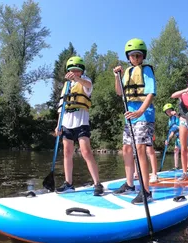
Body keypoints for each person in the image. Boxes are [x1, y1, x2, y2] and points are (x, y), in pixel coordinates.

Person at [113, 38, 156, 204]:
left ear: (142, 56)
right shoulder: (128, 72)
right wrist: (117, 76)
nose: (135, 58)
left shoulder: (146, 70)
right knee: (126, 149)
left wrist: (140, 111)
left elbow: (151, 93)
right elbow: (119, 92)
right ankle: (130, 184)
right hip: (130, 117)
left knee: (140, 149)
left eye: (138, 55)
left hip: (144, 115)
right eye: (132, 56)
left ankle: (146, 190)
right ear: (128, 57)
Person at [55, 56, 104, 196]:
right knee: (67, 153)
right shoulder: (66, 86)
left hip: (81, 121)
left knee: (86, 152)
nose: (74, 73)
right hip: (66, 122)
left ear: (81, 71)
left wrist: (77, 79)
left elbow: (88, 86)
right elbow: (61, 107)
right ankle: (68, 183)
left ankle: (97, 183)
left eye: (77, 70)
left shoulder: (85, 81)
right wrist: (58, 125)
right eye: (72, 70)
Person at [163, 103, 180, 170]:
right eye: (167, 111)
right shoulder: (170, 120)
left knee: (186, 150)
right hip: (177, 135)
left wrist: (168, 140)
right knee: (176, 150)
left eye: (169, 110)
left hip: (182, 134)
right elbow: (171, 130)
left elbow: (173, 131)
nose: (168, 112)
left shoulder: (175, 117)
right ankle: (176, 166)